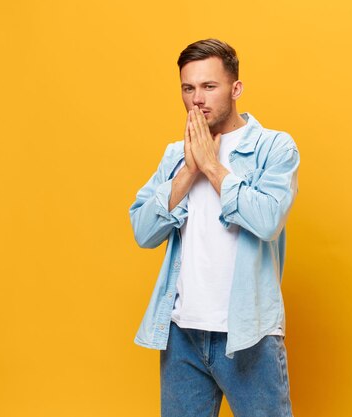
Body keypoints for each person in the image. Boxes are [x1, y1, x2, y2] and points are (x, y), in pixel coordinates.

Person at [128, 38, 299, 417]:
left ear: (235, 88)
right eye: (188, 88)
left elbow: (268, 220)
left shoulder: (274, 148)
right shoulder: (177, 155)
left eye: (209, 86)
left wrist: (213, 167)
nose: (197, 99)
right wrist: (189, 170)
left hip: (248, 334)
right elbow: (143, 230)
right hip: (181, 333)